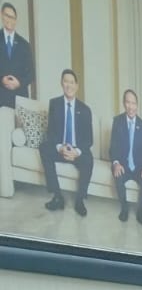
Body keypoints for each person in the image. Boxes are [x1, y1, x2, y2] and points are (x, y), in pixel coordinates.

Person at [40, 69, 94, 216]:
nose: (68, 85)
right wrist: (60, 148)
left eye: (71, 82)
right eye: (66, 81)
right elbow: (51, 133)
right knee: (44, 147)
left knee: (89, 158)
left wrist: (76, 152)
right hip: (61, 149)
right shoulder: (54, 104)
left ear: (76, 86)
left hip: (76, 151)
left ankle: (80, 200)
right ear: (61, 84)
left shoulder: (85, 109)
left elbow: (89, 140)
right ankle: (57, 196)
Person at [109, 89, 142, 223]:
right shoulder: (117, 121)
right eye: (128, 102)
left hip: (139, 167)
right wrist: (116, 163)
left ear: (137, 105)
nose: (131, 106)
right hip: (123, 165)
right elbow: (113, 147)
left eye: (133, 103)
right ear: (124, 104)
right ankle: (124, 208)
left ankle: (140, 211)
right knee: (118, 176)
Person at [0, 1, 32, 108]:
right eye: (7, 16)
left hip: (19, 99)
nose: (10, 20)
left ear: (16, 20)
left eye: (13, 17)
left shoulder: (24, 44)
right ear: (1, 15)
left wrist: (19, 83)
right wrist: (1, 80)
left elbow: (31, 73)